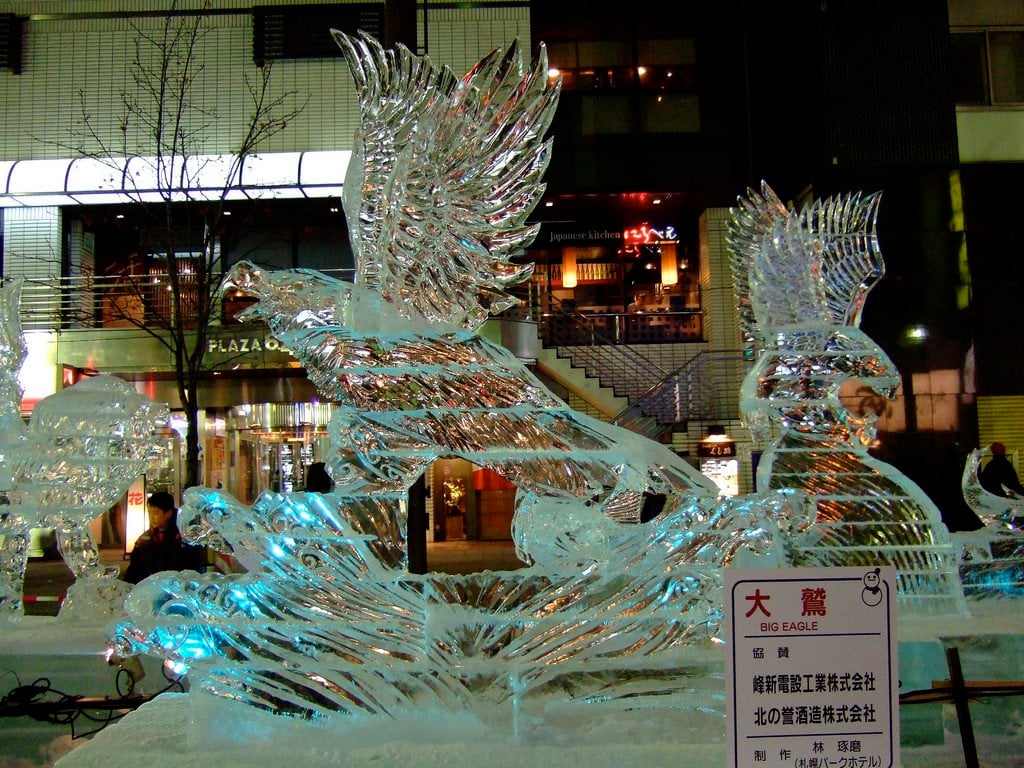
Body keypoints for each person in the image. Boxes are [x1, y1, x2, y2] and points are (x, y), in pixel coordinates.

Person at [123, 491, 206, 584]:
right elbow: (135, 566)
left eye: (155, 513)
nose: (151, 517)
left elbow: (190, 566)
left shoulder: (183, 537)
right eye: (149, 513)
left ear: (168, 513)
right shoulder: (146, 538)